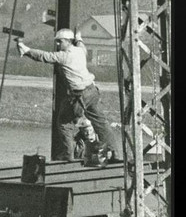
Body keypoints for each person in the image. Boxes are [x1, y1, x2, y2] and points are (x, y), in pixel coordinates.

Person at [16, 29, 120, 162]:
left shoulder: (64, 56)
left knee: (64, 124)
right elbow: (82, 45)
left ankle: (68, 156)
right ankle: (115, 154)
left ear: (68, 41)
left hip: (79, 95)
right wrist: (79, 38)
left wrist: (26, 50)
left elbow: (44, 56)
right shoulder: (80, 51)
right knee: (101, 123)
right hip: (92, 91)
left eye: (60, 41)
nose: (58, 44)